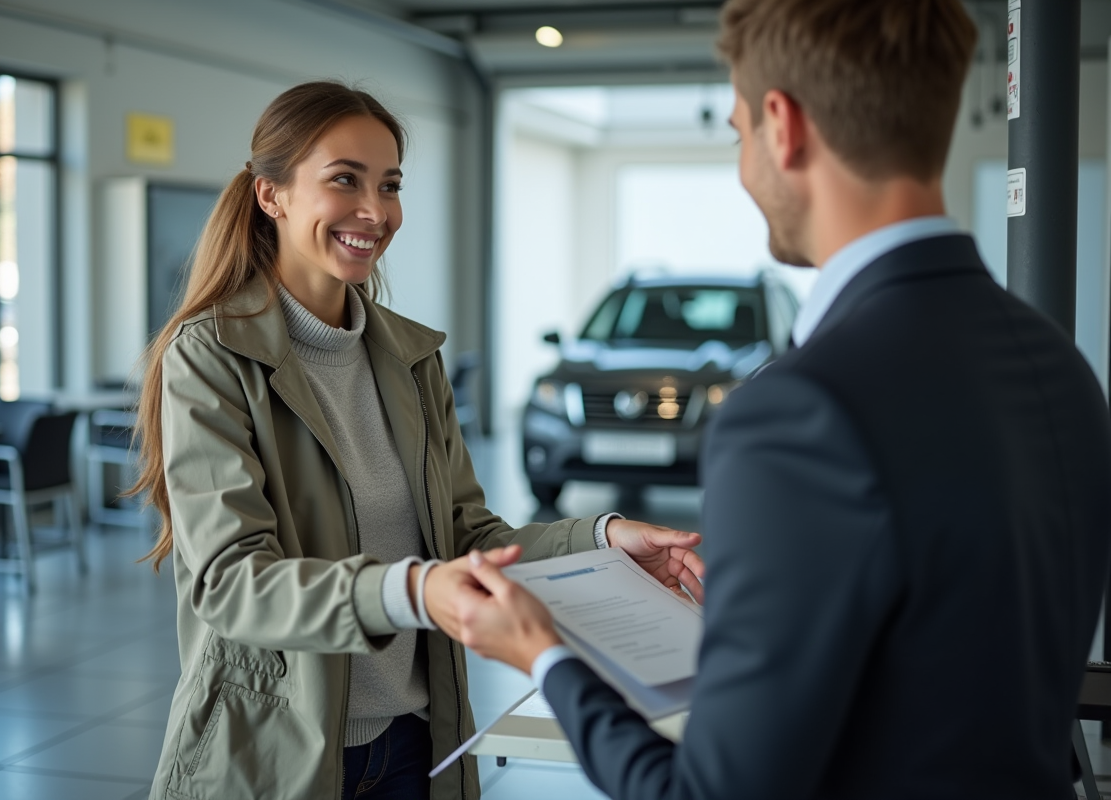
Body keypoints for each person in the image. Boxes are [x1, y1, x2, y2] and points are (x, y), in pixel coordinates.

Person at [447, 1, 1111, 798]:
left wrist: (545, 654)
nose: (743, 168)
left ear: (782, 125)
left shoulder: (797, 413)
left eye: (738, 134)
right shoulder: (1058, 365)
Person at [130, 81, 705, 800]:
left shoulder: (410, 358)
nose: (376, 212)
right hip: (276, 749)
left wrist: (602, 542)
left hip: (413, 743)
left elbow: (467, 537)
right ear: (271, 195)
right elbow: (232, 582)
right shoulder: (210, 355)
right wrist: (413, 589)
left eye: (390, 185)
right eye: (345, 180)